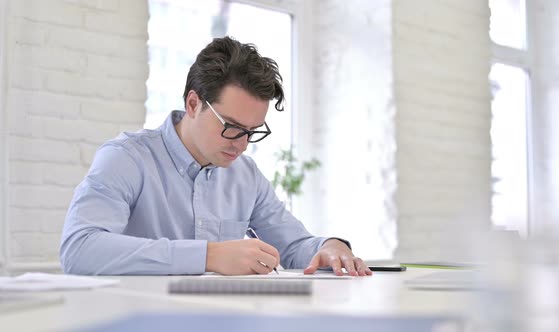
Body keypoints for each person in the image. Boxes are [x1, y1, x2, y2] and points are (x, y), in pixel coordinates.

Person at [60, 36, 372, 277]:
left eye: (252, 131)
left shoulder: (245, 175)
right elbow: (79, 249)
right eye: (232, 127)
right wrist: (208, 255)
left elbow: (293, 246)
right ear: (193, 104)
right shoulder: (127, 159)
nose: (243, 144)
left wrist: (330, 247)